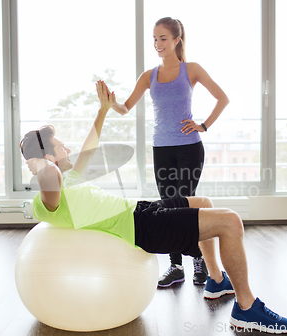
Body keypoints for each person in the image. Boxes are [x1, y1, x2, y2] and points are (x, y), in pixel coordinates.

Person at [20, 81, 287, 334]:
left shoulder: (69, 177)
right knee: (231, 222)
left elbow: (89, 148)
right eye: (61, 147)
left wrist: (103, 110)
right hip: (142, 228)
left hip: (140, 210)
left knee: (204, 203)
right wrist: (40, 162)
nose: (68, 149)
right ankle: (246, 308)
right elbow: (48, 178)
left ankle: (216, 280)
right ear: (47, 159)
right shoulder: (49, 197)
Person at [108, 17, 229, 287]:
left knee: (185, 204)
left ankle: (198, 261)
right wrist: (110, 101)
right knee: (170, 207)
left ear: (176, 40)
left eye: (163, 38)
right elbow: (126, 107)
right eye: (154, 38)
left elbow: (223, 98)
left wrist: (204, 125)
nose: (157, 44)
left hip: (189, 148)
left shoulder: (191, 69)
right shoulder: (148, 76)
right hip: (161, 149)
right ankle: (176, 266)